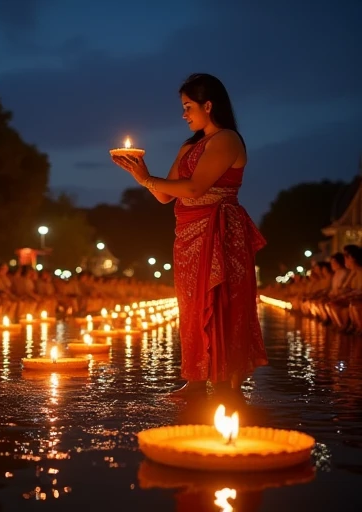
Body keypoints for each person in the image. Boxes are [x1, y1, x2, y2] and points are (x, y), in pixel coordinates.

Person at [111, 73, 268, 394]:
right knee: (191, 305)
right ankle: (196, 378)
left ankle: (225, 383)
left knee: (222, 302)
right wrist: (141, 175)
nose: (183, 114)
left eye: (188, 106)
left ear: (208, 105)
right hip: (188, 235)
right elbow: (165, 195)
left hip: (219, 231)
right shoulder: (190, 146)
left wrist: (147, 179)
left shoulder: (226, 140)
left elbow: (196, 187)